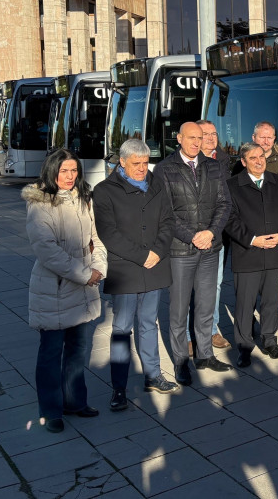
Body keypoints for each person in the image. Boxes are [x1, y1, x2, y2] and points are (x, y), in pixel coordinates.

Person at [23, 149, 107, 433]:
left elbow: (96, 238)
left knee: (77, 350)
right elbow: (47, 250)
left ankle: (74, 401)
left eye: (73, 171)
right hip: (55, 288)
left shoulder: (84, 197)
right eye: (63, 171)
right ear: (51, 172)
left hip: (83, 288)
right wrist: (85, 274)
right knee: (51, 352)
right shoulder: (40, 203)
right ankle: (50, 410)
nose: (69, 177)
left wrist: (99, 267)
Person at [92, 139, 178, 411]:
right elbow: (108, 232)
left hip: (154, 265)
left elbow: (168, 222)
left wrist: (157, 252)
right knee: (122, 327)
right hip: (126, 268)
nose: (142, 169)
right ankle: (119, 388)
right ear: (122, 163)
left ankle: (153, 375)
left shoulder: (157, 185)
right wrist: (142, 256)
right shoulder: (104, 191)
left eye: (145, 163)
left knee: (148, 323)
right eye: (136, 164)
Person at [153, 122, 232, 386]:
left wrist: (210, 233)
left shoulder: (213, 166)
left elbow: (224, 203)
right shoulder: (165, 169)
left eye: (200, 138)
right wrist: (192, 236)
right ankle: (180, 361)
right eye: (191, 137)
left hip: (210, 247)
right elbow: (165, 212)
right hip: (180, 250)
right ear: (179, 138)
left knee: (206, 304)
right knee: (178, 309)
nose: (197, 142)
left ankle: (205, 355)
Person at [224, 143, 278, 364]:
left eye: (262, 156)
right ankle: (244, 346)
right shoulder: (232, 185)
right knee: (245, 304)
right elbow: (229, 218)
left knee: (270, 301)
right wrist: (252, 239)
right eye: (253, 158)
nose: (259, 161)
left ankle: (269, 340)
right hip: (248, 253)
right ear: (244, 162)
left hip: (275, 251)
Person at [189, 120, 231, 352]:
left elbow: (226, 201)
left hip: (216, 233)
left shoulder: (224, 161)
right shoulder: (184, 163)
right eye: (205, 134)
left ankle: (212, 329)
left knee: (214, 284)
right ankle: (187, 333)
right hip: (190, 235)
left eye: (214, 133)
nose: (211, 138)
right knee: (188, 286)